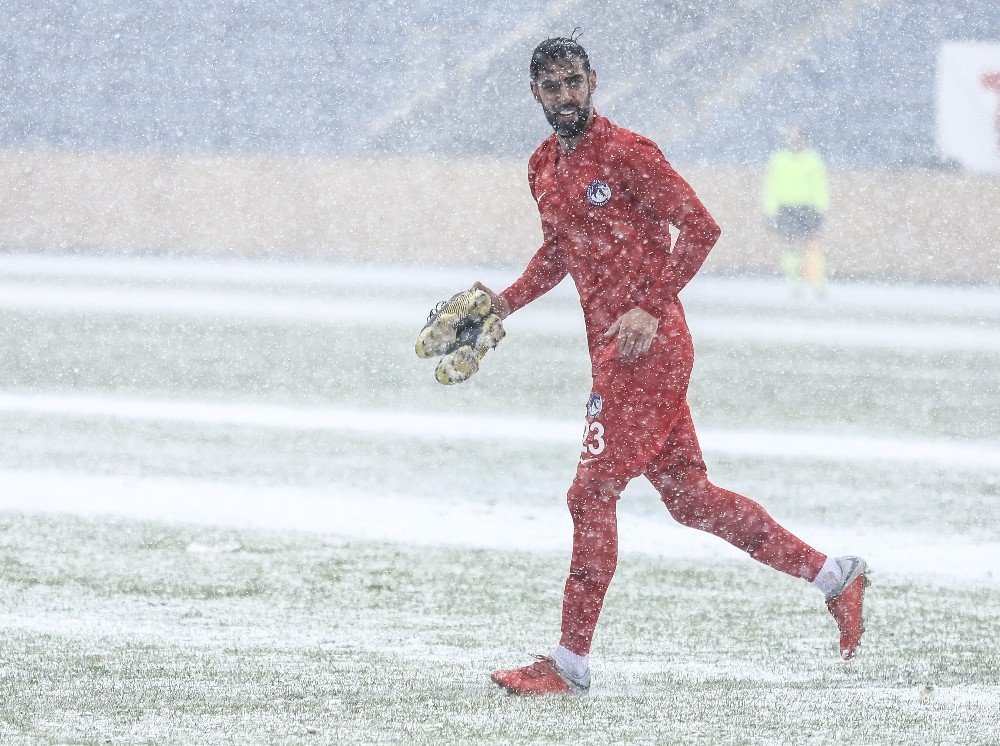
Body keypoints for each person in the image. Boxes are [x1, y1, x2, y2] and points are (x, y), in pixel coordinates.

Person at [472, 36, 869, 697]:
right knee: (691, 502)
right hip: (614, 353)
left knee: (589, 494)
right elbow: (558, 254)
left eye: (574, 82)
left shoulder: (628, 153)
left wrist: (650, 307)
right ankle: (836, 576)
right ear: (535, 94)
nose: (566, 95)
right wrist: (503, 303)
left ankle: (569, 665)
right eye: (552, 86)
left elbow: (702, 228)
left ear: (593, 80)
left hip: (647, 352)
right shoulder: (544, 165)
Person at [764, 128, 829, 295]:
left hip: (808, 207)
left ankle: (817, 284)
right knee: (789, 245)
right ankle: (794, 283)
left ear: (803, 139)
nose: (793, 140)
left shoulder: (812, 160)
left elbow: (819, 186)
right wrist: (770, 210)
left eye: (796, 136)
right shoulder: (779, 159)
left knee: (811, 245)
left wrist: (821, 208)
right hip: (786, 208)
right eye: (790, 136)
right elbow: (771, 186)